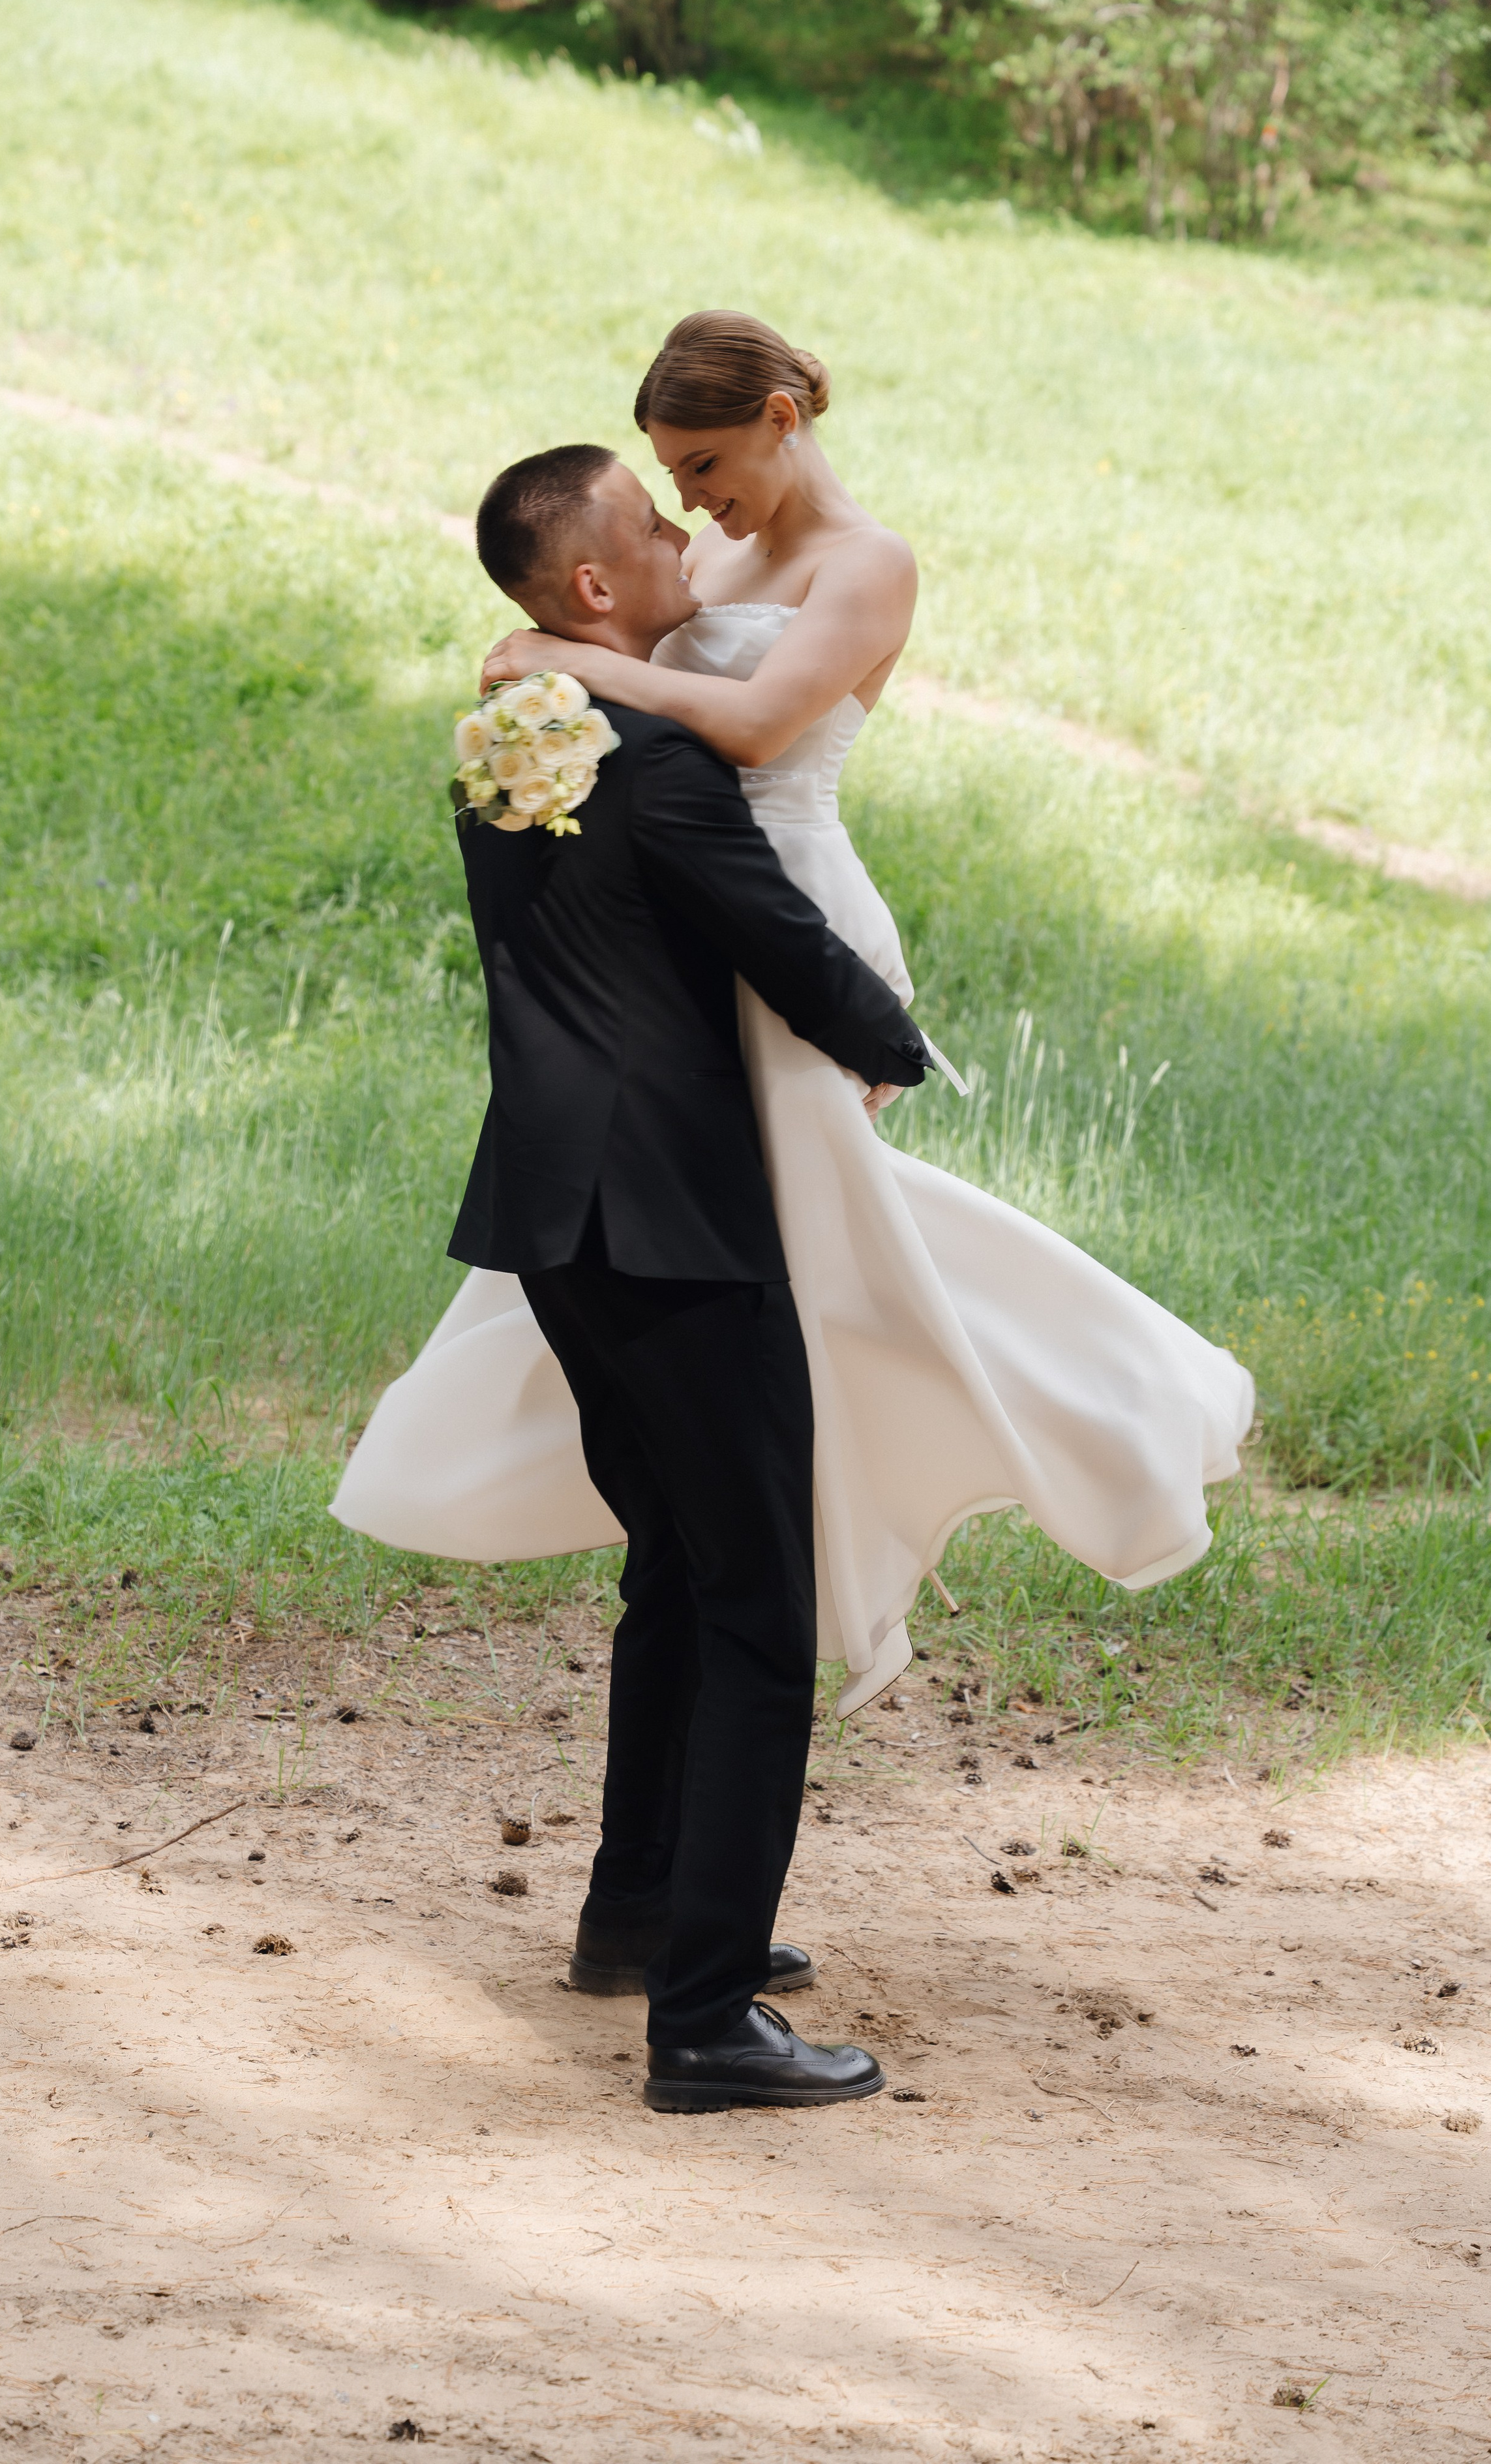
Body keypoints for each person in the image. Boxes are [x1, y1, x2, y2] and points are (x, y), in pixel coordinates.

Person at [334, 312, 1254, 1720]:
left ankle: (1000, 1435)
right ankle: (724, 1498)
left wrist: (563, 666)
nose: (692, 502)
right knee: (715, 1223)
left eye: (704, 462)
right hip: (685, 910)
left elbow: (758, 726)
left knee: (810, 1225)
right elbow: (624, 625)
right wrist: (563, 650)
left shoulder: (862, 564)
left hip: (787, 900)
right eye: (667, 479)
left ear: (781, 414)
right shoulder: (705, 554)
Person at [358, 439, 932, 2111]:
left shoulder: (505, 746)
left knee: (676, 1570)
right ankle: (705, 2023)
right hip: (673, 1228)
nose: (686, 531)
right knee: (762, 1604)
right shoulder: (653, 759)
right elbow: (774, 935)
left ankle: (637, 1914)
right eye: (652, 519)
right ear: (594, 589)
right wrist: (895, 1046)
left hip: (553, 1222)